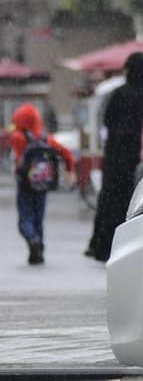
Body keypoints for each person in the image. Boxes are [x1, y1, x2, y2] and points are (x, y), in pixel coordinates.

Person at [85, 51, 143, 262]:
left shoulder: (119, 94)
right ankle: (137, 247)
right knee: (140, 202)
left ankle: (104, 246)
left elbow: (108, 121)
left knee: (112, 202)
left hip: (117, 158)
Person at [7, 102, 75, 265]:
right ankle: (38, 250)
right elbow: (67, 154)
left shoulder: (17, 138)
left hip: (25, 184)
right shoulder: (47, 139)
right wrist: (70, 170)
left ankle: (32, 239)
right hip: (42, 185)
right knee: (38, 218)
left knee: (25, 219)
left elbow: (12, 141)